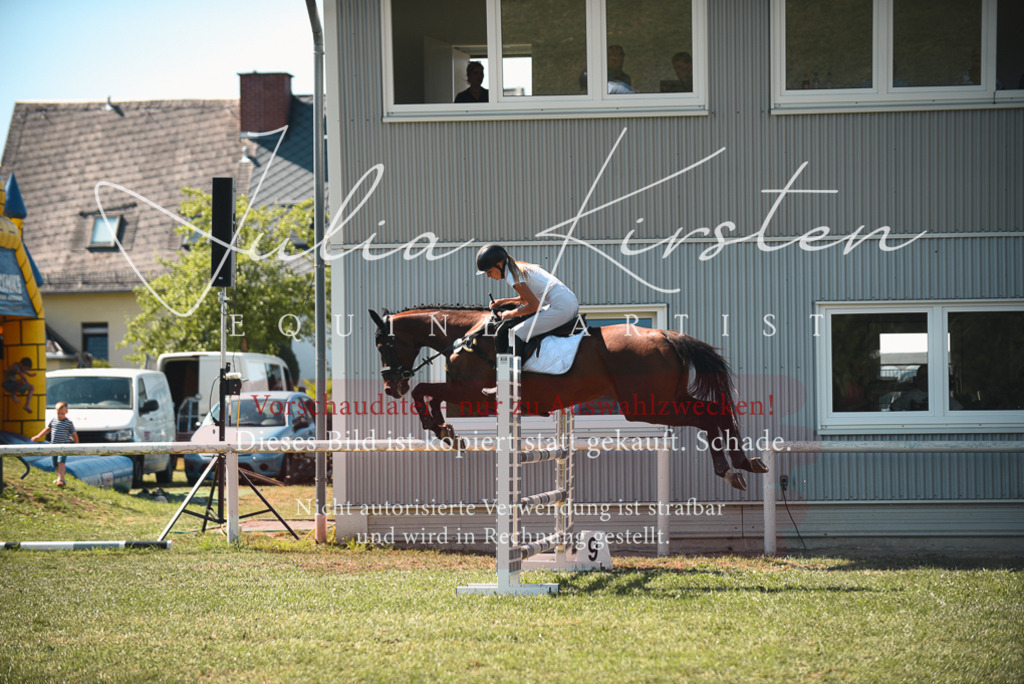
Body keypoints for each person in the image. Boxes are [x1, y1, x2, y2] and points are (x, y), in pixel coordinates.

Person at [476, 244, 579, 370]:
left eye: (489, 272)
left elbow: (534, 306)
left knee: (515, 334)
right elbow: (525, 300)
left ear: (499, 264)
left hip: (562, 308)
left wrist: (509, 314)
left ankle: (507, 383)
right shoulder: (516, 269)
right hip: (566, 303)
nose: (488, 276)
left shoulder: (511, 275)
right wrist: (502, 302)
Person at [32, 400, 79, 487]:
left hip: (64, 445)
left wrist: (77, 444)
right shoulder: (53, 420)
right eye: (59, 413)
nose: (60, 415)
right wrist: (38, 436)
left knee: (61, 462)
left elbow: (74, 434)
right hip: (54, 445)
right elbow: (48, 429)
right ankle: (61, 478)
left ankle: (60, 479)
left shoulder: (68, 423)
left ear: (66, 412)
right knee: (55, 463)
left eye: (62, 414)